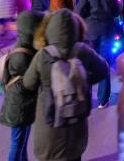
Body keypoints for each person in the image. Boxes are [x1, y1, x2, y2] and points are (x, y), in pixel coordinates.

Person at [22, 9, 109, 161]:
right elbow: (103, 69)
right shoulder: (83, 52)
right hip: (76, 132)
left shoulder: (43, 55)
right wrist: (84, 80)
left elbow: (28, 83)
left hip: (49, 133)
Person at [0, 11, 44, 161]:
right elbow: (31, 81)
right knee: (17, 142)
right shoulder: (22, 55)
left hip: (22, 104)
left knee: (21, 141)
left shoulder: (25, 46)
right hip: (19, 106)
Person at [75, 0, 121, 107]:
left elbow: (78, 12)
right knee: (104, 63)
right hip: (107, 32)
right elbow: (116, 12)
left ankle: (86, 97)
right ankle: (103, 99)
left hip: (90, 33)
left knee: (88, 63)